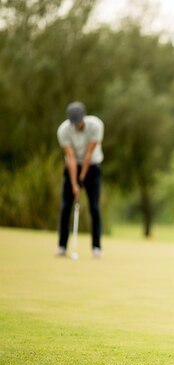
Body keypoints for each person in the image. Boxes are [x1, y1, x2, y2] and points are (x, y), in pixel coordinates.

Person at [56, 101, 104, 258]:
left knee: (94, 208)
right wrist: (74, 183)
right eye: (73, 122)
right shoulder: (64, 130)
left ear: (84, 117)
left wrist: (82, 179)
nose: (76, 125)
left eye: (78, 121)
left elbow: (89, 155)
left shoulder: (95, 126)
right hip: (72, 168)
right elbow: (70, 156)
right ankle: (62, 246)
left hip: (92, 167)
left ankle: (96, 247)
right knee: (65, 208)